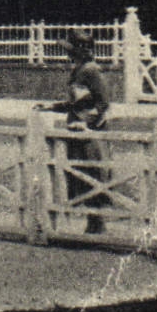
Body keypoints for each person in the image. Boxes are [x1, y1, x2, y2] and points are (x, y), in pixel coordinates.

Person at [36, 27, 111, 234]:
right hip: (76, 131)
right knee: (79, 173)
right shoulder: (78, 70)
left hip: (90, 133)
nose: (68, 54)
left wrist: (87, 124)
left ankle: (97, 222)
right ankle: (92, 221)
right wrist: (51, 107)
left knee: (93, 172)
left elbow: (103, 104)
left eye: (71, 50)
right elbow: (75, 103)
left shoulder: (91, 70)